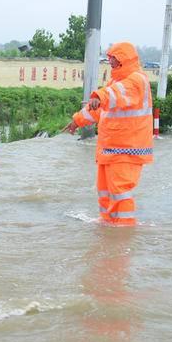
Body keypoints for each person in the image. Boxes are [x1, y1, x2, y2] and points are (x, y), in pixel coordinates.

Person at [63, 41, 154, 226]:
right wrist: (77, 121)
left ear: (123, 59)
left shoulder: (137, 80)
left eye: (113, 58)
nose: (109, 62)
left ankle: (124, 228)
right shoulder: (115, 82)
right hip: (111, 148)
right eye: (109, 58)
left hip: (128, 148)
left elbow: (116, 94)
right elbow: (99, 109)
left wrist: (100, 95)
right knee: (104, 191)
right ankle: (107, 225)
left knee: (120, 190)